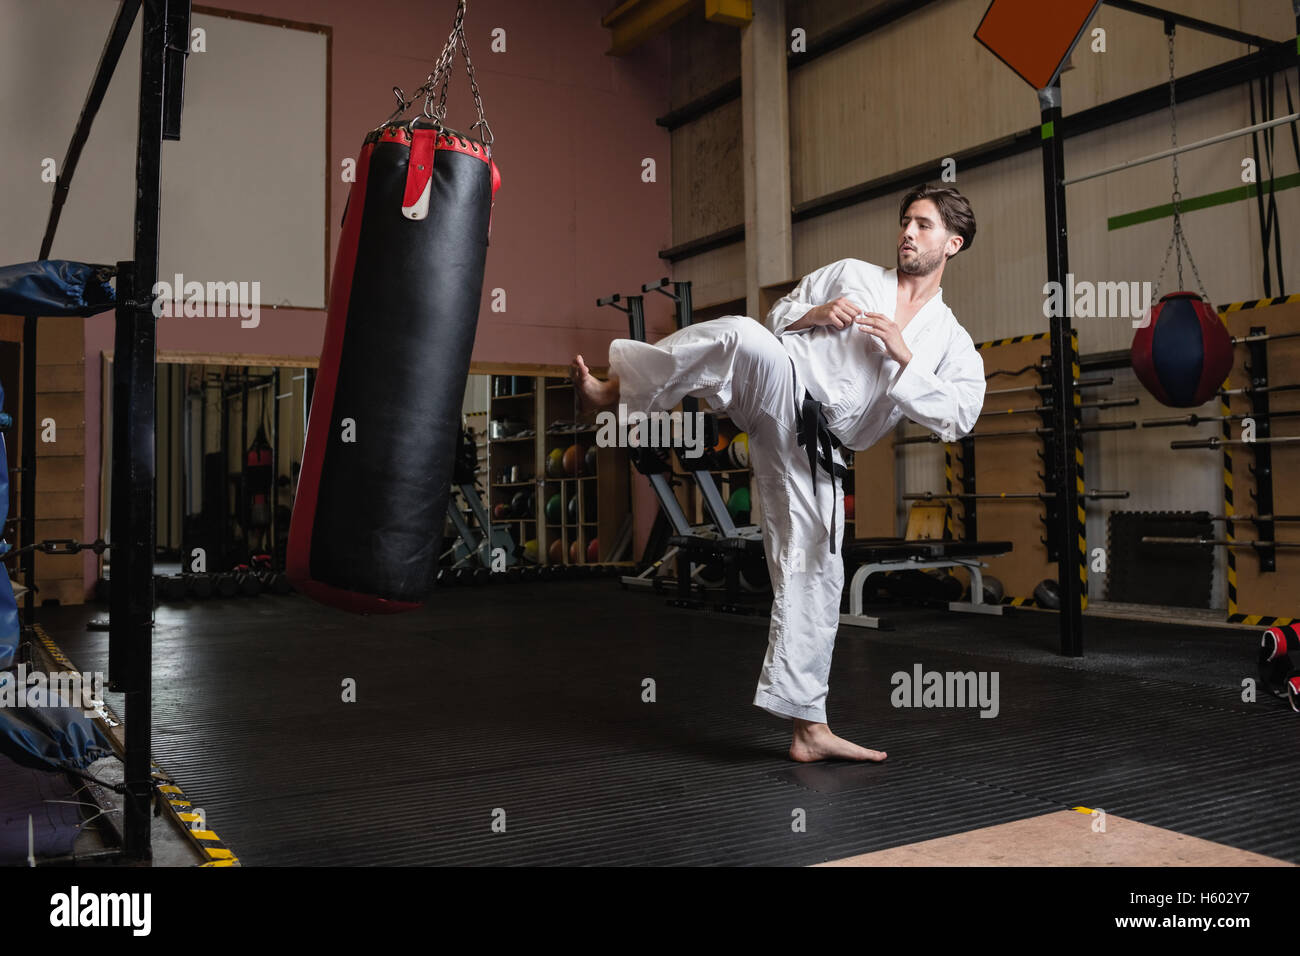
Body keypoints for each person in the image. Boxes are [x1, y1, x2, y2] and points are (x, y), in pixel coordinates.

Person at [572, 184, 986, 762]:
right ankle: (620, 388)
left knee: (817, 572)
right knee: (742, 333)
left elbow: (961, 414)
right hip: (781, 388)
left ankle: (808, 728)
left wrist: (904, 356)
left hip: (821, 450)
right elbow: (779, 317)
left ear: (953, 243)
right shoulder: (851, 274)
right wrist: (814, 313)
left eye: (922, 225)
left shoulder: (950, 340)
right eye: (905, 222)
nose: (908, 234)